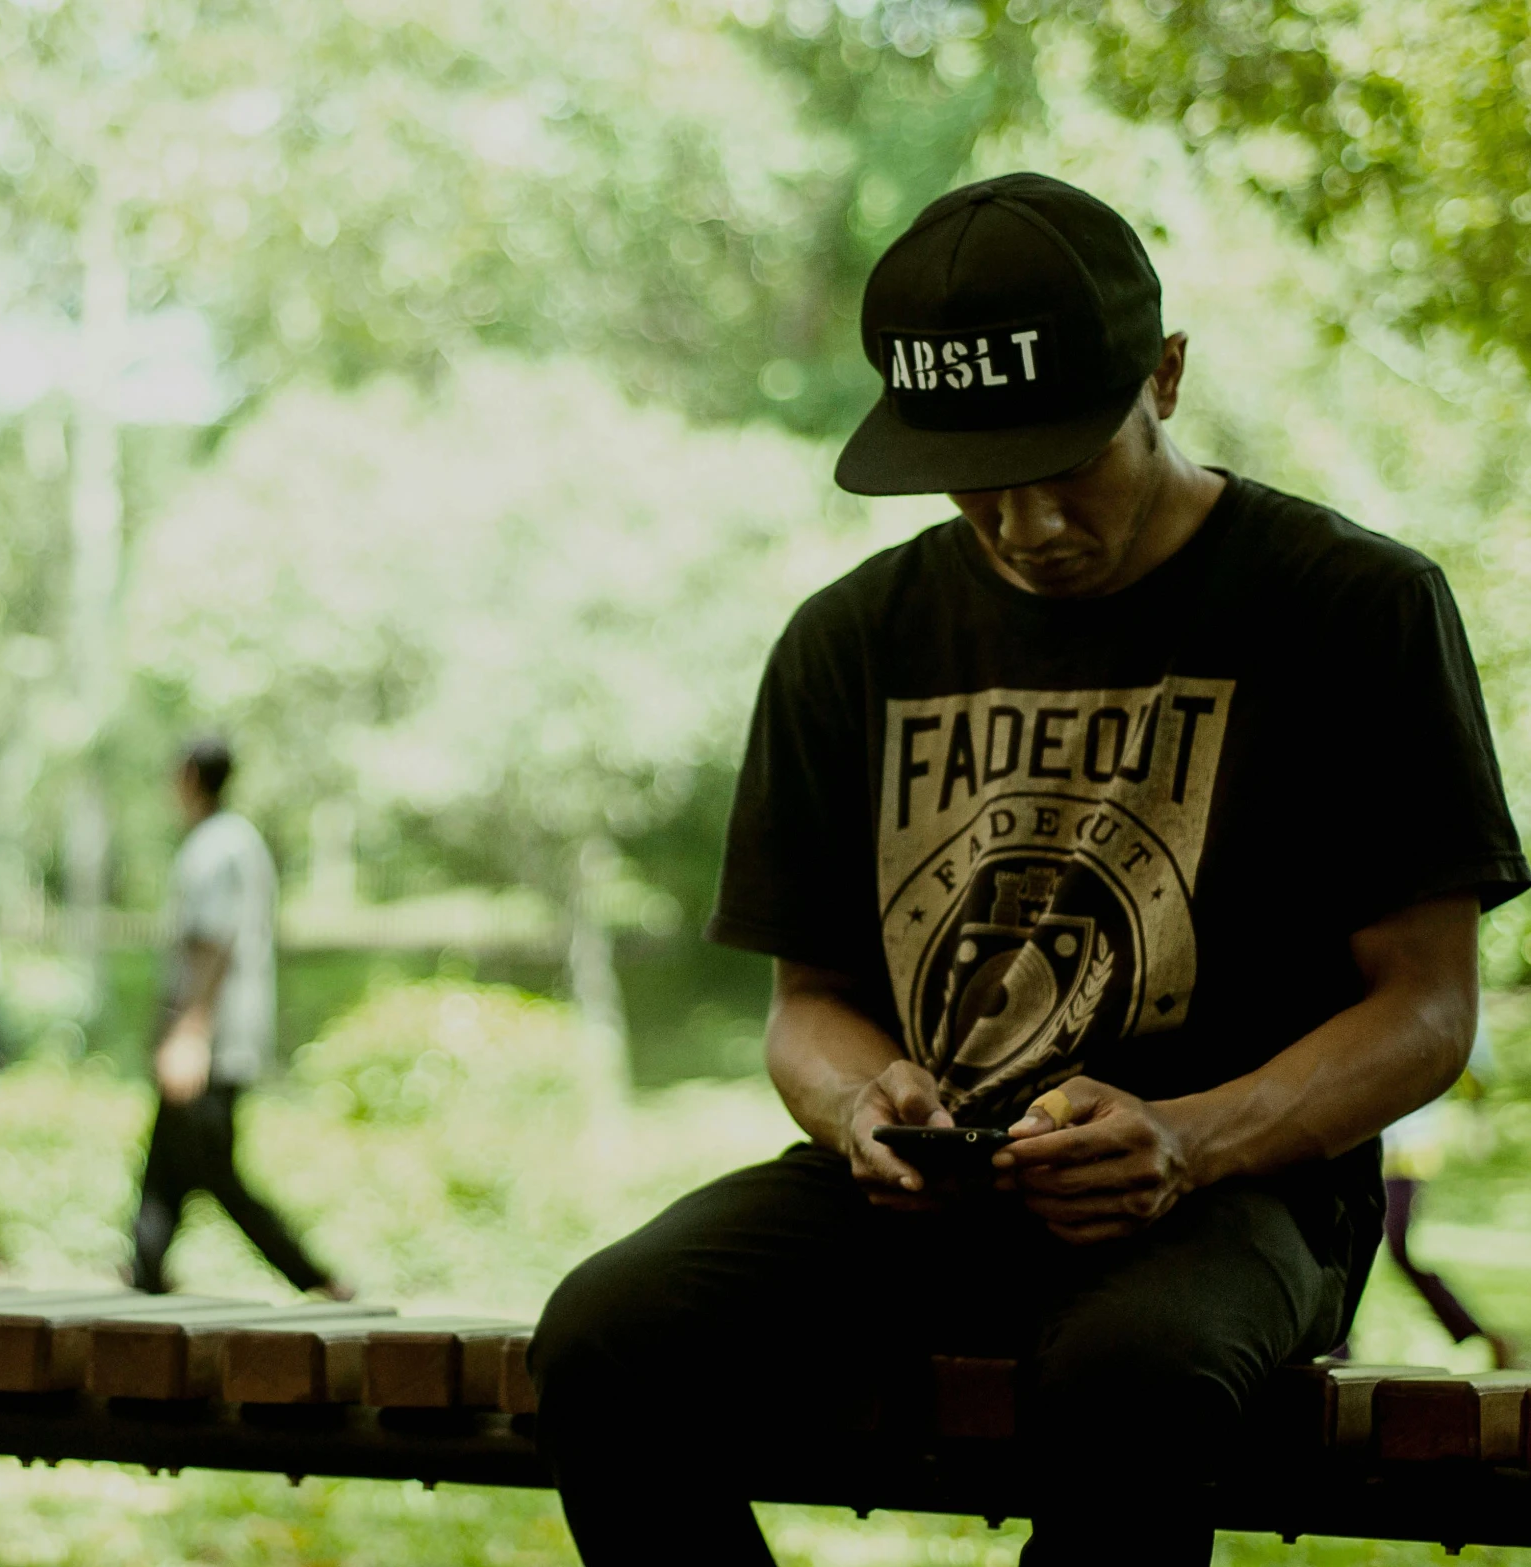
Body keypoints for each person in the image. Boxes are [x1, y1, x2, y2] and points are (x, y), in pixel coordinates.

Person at [528, 172, 1528, 1567]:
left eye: (1070, 465)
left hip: (1235, 1198)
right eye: (981, 483)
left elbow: (1425, 1005)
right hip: (927, 1201)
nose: (1029, 525)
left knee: (1128, 1381)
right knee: (602, 1337)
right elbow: (804, 1002)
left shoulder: (1350, 606)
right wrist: (854, 1103)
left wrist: (1188, 1138)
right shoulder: (849, 638)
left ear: (1163, 377)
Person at [129, 737, 349, 1298]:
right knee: (166, 1171)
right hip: (213, 1038)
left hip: (213, 1042)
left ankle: (313, 1277)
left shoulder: (217, 847)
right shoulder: (231, 842)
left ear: (188, 776)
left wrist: (188, 1031)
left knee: (212, 1171)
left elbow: (212, 944)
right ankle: (145, 1275)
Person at [1379, 1026, 1515, 1366]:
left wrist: (1477, 1120)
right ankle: (1334, 1351)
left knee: (1395, 1248)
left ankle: (1481, 1334)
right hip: (1361, 1147)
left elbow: (1472, 1066)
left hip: (1404, 1149)